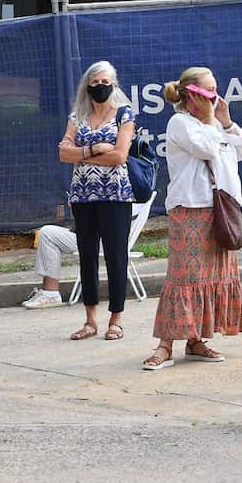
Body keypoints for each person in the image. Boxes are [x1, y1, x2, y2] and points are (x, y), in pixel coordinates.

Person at [142, 66, 242, 370]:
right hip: (190, 209)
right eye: (209, 92)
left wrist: (225, 122)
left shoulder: (216, 124)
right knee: (184, 279)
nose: (214, 99)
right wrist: (214, 124)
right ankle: (164, 345)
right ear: (192, 96)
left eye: (216, 91)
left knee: (213, 276)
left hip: (221, 209)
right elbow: (206, 148)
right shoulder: (180, 123)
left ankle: (196, 340)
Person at [58, 61, 135, 341]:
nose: (100, 87)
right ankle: (90, 320)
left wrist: (81, 153)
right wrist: (91, 149)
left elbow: (119, 156)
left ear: (113, 84)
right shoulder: (77, 116)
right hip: (82, 194)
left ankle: (116, 319)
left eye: (106, 82)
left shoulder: (124, 114)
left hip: (115, 194)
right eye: (95, 83)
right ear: (87, 86)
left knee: (116, 256)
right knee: (87, 256)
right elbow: (62, 153)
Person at [20, 224, 78, 308]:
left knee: (47, 234)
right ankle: (49, 293)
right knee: (47, 232)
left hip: (96, 239)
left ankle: (50, 294)